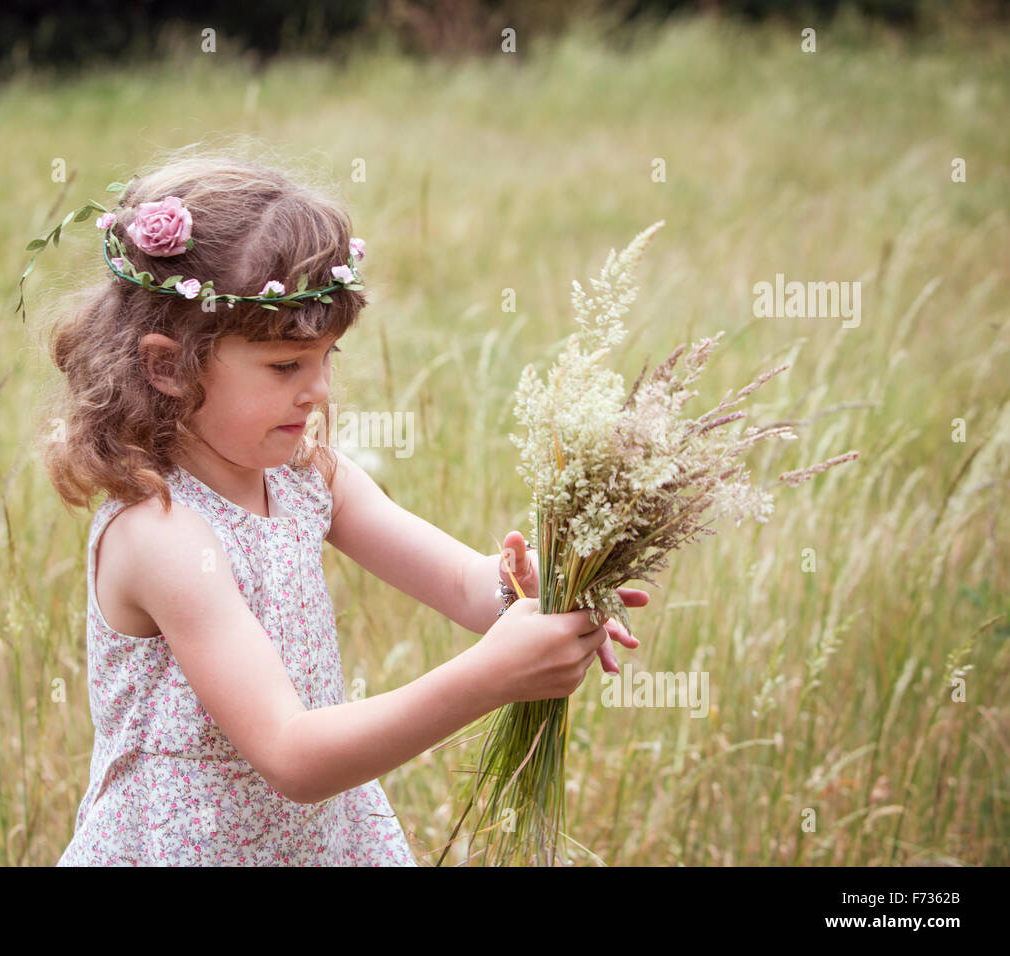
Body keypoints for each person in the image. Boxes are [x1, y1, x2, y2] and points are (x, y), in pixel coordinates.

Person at [39, 146, 647, 866]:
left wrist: (529, 592)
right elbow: (293, 757)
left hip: (317, 843)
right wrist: (491, 676)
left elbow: (461, 584)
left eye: (329, 356)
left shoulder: (308, 476)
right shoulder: (161, 533)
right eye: (285, 365)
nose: (318, 389)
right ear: (167, 365)